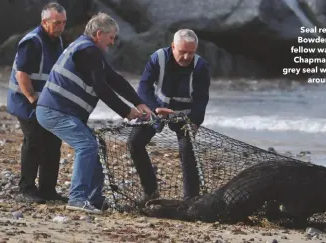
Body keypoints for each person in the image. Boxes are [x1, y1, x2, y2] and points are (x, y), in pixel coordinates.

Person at [35, 12, 152, 214]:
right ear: (99, 33)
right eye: (111, 37)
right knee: (87, 146)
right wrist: (127, 111)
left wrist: (139, 102)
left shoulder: (90, 50)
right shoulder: (88, 51)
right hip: (54, 111)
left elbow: (113, 79)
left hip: (62, 111)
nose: (113, 42)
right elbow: (101, 88)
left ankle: (95, 199)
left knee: (96, 145)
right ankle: (78, 198)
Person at [128, 29, 211, 204]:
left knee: (187, 151)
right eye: (182, 52)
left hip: (185, 116)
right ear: (173, 47)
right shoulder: (157, 58)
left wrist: (195, 121)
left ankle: (191, 200)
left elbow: (201, 99)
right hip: (156, 109)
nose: (187, 57)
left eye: (191, 52)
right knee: (134, 143)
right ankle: (150, 191)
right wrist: (155, 108)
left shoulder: (201, 66)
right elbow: (144, 87)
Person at [6, 2, 67, 204]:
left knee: (53, 143)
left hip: (46, 103)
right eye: (57, 23)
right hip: (25, 101)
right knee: (34, 141)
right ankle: (26, 189)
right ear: (44, 22)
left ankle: (48, 190)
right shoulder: (32, 41)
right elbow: (22, 75)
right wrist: (33, 99)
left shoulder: (56, 40)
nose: (61, 27)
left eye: (63, 23)